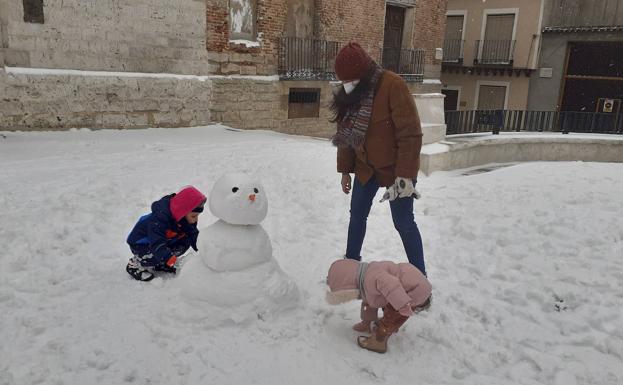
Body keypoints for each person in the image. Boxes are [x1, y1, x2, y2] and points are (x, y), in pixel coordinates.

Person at [331, 42, 427, 276]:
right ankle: (351, 266)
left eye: (351, 80)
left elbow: (410, 134)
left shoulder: (393, 86)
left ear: (363, 74)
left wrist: (405, 177)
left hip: (396, 170)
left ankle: (420, 278)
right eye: (343, 82)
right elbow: (347, 134)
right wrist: (345, 171)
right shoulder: (350, 92)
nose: (347, 86)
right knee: (357, 216)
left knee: (403, 222)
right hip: (366, 167)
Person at [326, 258, 432, 353]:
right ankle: (384, 325)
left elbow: (391, 285)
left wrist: (402, 306)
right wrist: (366, 322)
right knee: (389, 303)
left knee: (392, 314)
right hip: (405, 285)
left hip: (414, 291)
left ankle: (379, 341)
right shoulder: (366, 280)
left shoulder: (373, 278)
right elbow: (369, 302)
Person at [125, 186, 206, 281]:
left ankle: (161, 263)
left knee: (185, 240)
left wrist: (204, 251)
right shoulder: (159, 219)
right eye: (194, 216)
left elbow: (193, 235)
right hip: (141, 244)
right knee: (158, 253)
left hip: (163, 240)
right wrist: (170, 259)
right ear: (183, 211)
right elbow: (157, 243)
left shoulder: (184, 219)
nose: (196, 219)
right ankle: (135, 264)